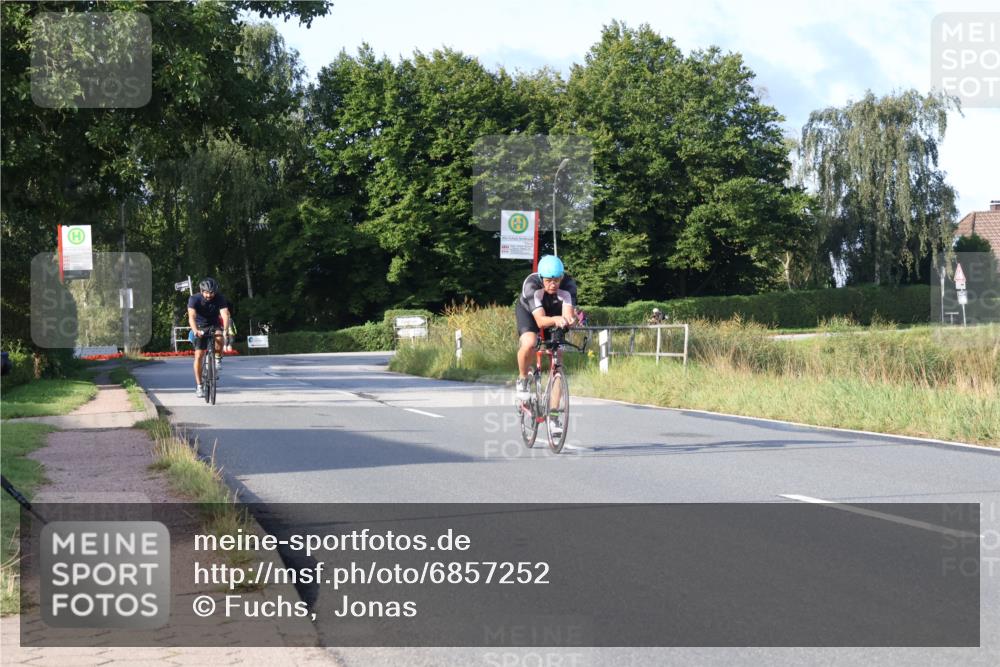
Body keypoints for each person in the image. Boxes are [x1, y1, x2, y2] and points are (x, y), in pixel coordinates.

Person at [515, 255, 577, 435]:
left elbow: (566, 313)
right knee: (530, 342)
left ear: (562, 277)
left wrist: (569, 319)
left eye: (557, 280)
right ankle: (522, 380)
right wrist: (557, 319)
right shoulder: (531, 285)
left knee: (558, 359)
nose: (553, 285)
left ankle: (554, 416)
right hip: (530, 313)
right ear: (541, 278)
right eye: (549, 281)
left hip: (555, 311)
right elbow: (541, 321)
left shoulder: (569, 285)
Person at [187, 277, 232, 398]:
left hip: (214, 324)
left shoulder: (220, 298)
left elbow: (225, 314)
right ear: (201, 291)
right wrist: (195, 330)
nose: (209, 295)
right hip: (200, 326)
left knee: (219, 336)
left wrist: (226, 330)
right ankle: (199, 386)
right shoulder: (194, 299)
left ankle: (217, 359)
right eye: (206, 292)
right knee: (199, 355)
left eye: (211, 292)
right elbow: (191, 316)